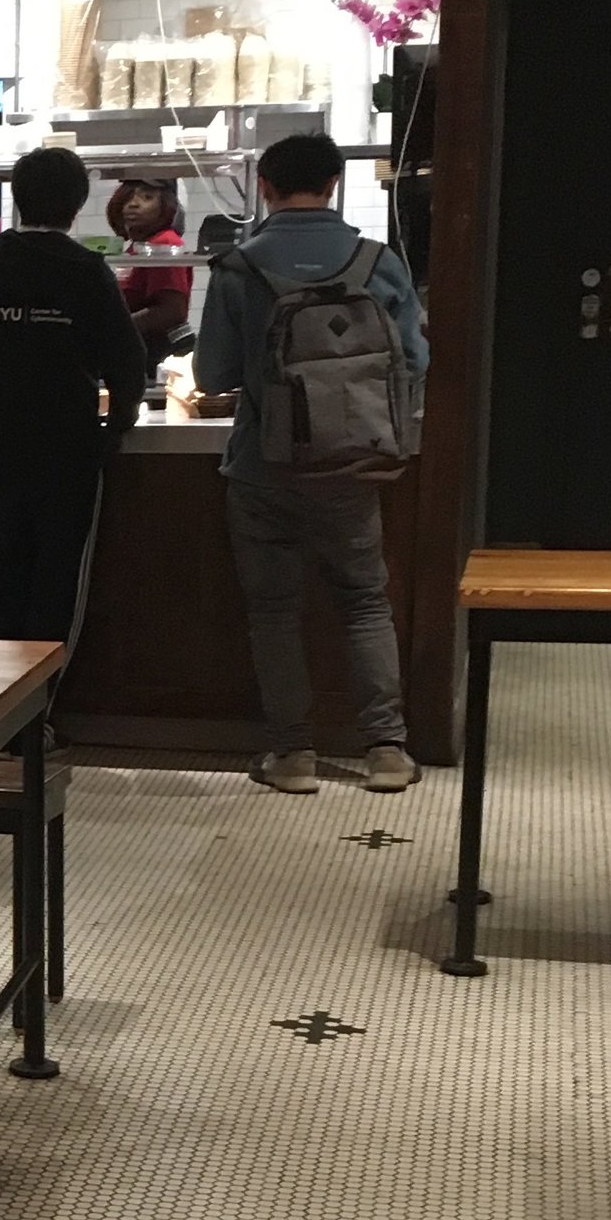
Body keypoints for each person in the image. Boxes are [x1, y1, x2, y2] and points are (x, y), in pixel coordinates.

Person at [191, 132, 428, 795]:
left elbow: (212, 373)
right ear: (333, 184)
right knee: (362, 601)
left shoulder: (238, 267)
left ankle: (292, 755)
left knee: (273, 609)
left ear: (264, 185)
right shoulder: (377, 262)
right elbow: (416, 361)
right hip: (354, 464)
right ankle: (386, 749)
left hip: (263, 470)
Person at [0, 139, 147, 644]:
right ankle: (39, 716)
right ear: (76, 207)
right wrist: (113, 430)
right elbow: (127, 364)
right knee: (56, 587)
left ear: (18, 198)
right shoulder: (85, 269)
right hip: (67, 455)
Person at [106, 174, 193, 356]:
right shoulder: (140, 246)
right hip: (145, 346)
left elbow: (171, 310)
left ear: (168, 206)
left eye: (147, 197)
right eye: (129, 197)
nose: (133, 204)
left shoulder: (164, 243)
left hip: (161, 352)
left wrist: (117, 329)